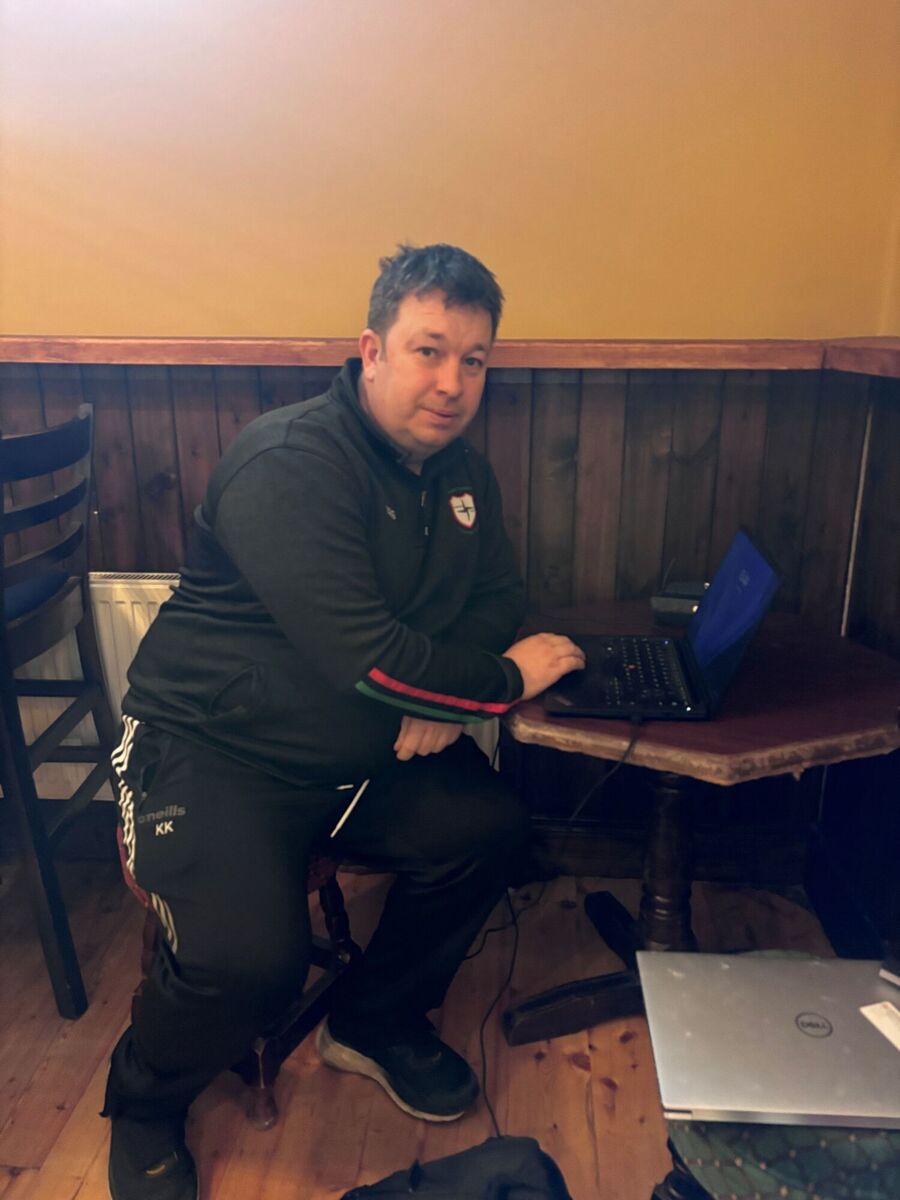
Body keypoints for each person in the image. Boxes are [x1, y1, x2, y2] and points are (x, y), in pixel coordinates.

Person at [103, 243, 585, 1200]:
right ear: (372, 351)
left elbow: (497, 597)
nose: (452, 383)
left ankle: (373, 1019)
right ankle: (145, 1099)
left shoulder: (462, 474)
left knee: (492, 828)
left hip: (361, 751)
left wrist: (434, 703)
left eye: (475, 360)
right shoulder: (290, 462)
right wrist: (495, 682)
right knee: (252, 964)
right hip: (212, 750)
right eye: (428, 351)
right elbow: (369, 657)